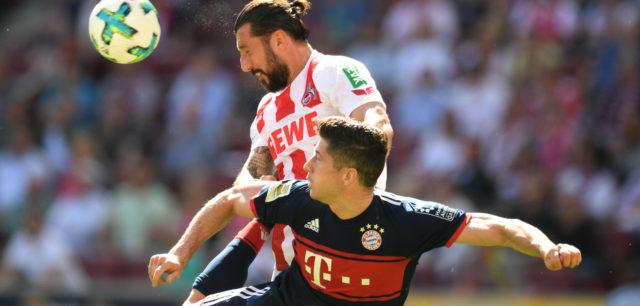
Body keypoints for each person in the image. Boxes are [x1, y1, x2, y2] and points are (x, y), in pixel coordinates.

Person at [148, 116, 582, 306]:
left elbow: (501, 228)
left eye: (319, 158)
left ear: (349, 175)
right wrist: (180, 254)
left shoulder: (407, 220)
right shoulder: (300, 197)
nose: (308, 164)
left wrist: (547, 247)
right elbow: (229, 200)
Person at [187, 0, 393, 302]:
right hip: (291, 276)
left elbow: (378, 123)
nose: (244, 65)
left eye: (247, 50)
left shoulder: (334, 72)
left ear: (279, 40)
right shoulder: (267, 110)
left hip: (347, 262)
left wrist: (349, 185)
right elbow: (251, 181)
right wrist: (250, 192)